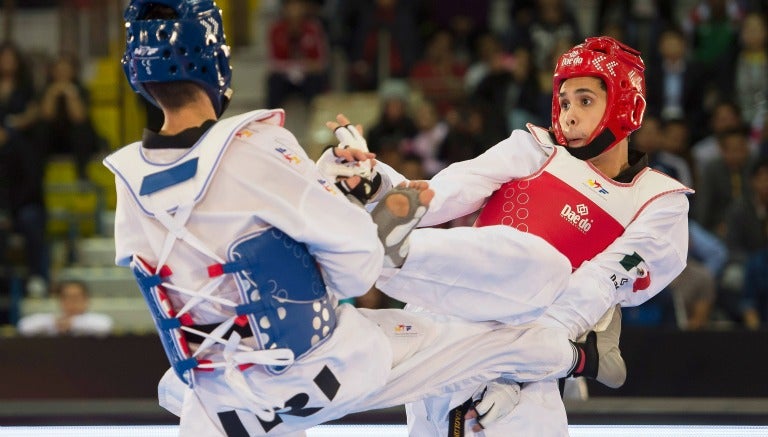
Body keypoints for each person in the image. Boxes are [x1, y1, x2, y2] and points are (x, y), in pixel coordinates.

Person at [107, 2, 599, 436]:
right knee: (483, 341)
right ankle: (579, 355)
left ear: (138, 74)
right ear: (216, 61)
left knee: (175, 389)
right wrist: (375, 210)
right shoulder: (254, 148)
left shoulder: (127, 182)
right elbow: (358, 268)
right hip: (322, 371)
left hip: (223, 401)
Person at [326, 36, 693, 435]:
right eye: (565, 101)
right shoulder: (535, 149)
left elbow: (592, 292)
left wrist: (515, 373)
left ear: (625, 105)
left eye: (585, 100)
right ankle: (363, 240)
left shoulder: (657, 202)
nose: (569, 115)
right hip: (447, 311)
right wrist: (376, 182)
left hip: (526, 341)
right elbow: (443, 192)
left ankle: (369, 249)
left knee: (540, 267)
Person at [17, 279, 113, 337]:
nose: (72, 302)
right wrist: (54, 323)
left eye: (76, 297)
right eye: (67, 297)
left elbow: (106, 325)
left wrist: (72, 323)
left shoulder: (93, 321)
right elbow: (23, 327)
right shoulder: (55, 322)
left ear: (86, 300)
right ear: (60, 301)